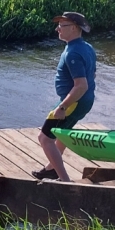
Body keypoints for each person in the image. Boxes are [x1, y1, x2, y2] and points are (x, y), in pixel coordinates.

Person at [35, 12, 96, 181]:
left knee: (44, 138)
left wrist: (62, 107)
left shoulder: (73, 53)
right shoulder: (87, 47)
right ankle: (51, 169)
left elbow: (81, 85)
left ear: (74, 28)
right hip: (84, 100)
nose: (57, 29)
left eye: (62, 26)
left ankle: (64, 180)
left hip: (74, 102)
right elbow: (93, 75)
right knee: (62, 132)